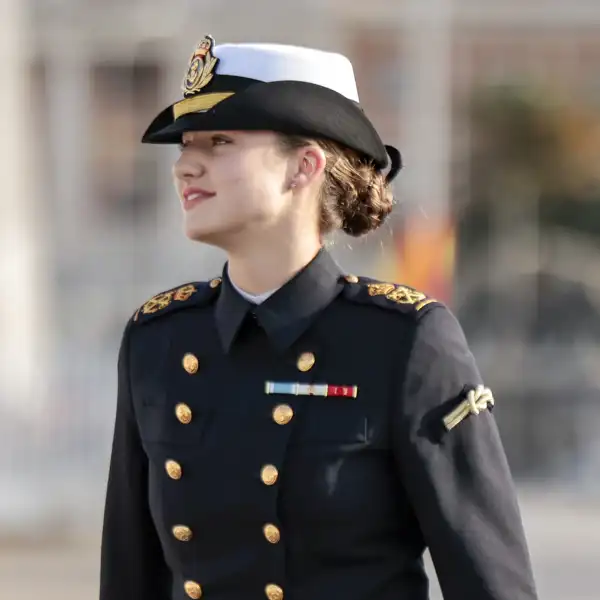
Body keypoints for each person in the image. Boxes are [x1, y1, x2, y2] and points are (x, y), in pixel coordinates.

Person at [99, 34, 538, 600]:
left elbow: (490, 583)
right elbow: (128, 578)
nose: (185, 165)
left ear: (303, 166)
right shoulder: (157, 340)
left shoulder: (404, 342)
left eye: (220, 141)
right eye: (186, 145)